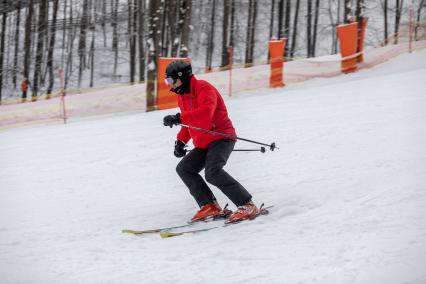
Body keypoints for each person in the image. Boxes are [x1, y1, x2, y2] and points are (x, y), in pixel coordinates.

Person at [162, 61, 259, 224]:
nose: (169, 85)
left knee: (212, 172)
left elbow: (205, 115)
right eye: (167, 81)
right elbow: (188, 123)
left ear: (182, 77)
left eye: (171, 80)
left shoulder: (203, 88)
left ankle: (247, 204)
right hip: (203, 143)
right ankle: (209, 205)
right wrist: (180, 141)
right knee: (184, 169)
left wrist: (179, 118)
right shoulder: (182, 96)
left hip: (221, 137)